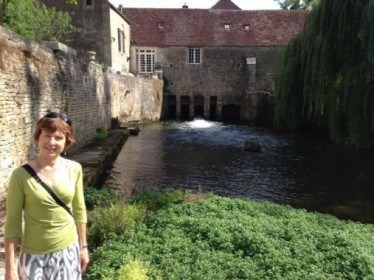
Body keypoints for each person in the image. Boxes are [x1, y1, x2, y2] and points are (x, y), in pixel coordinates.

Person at [4, 112, 89, 280]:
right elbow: (12, 222)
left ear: (66, 142)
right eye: (47, 136)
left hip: (68, 250)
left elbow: (79, 210)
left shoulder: (75, 169)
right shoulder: (20, 175)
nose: (51, 142)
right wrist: (10, 268)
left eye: (58, 138)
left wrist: (83, 246)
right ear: (38, 138)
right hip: (33, 255)